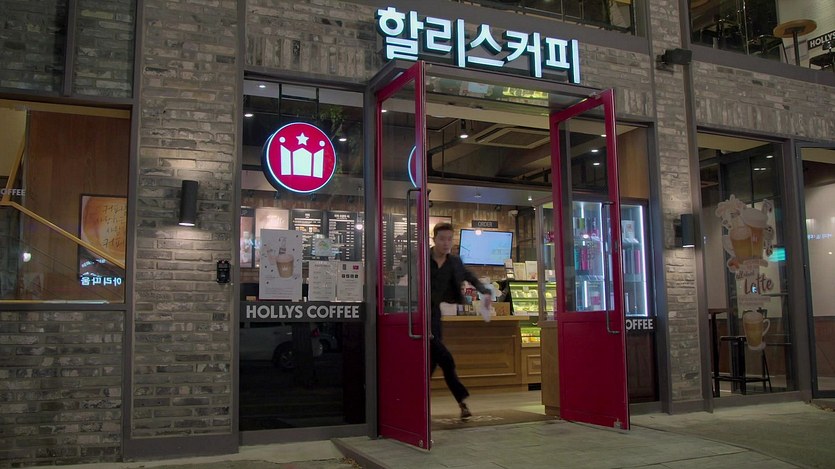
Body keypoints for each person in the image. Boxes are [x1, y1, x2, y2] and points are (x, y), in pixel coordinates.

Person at [430, 222, 493, 420]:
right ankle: (462, 401)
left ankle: (414, 399)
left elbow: (469, 276)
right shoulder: (422, 259)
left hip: (435, 316)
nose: (446, 243)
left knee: (432, 361)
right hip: (418, 315)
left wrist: (485, 291)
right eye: (442, 239)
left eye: (449, 239)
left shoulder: (454, 262)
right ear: (434, 239)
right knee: (446, 359)